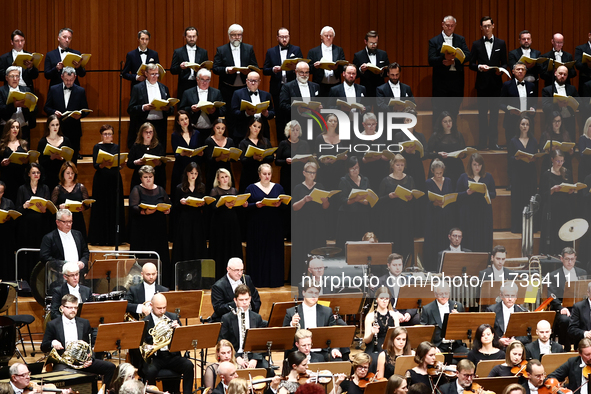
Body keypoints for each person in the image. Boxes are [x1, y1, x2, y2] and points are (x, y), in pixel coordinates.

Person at [41, 294, 115, 388]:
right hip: (63, 363)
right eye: (70, 307)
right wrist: (52, 343)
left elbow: (90, 344)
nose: (73, 310)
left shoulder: (84, 323)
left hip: (82, 362)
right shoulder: (53, 325)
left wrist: (90, 359)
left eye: (75, 308)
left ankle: (104, 391)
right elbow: (43, 346)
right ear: (62, 308)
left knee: (110, 367)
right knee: (64, 376)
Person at [139, 293, 194, 394]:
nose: (162, 311)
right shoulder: (145, 322)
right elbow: (140, 343)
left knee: (188, 365)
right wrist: (152, 344)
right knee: (149, 371)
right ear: (151, 306)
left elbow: (183, 340)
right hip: (155, 357)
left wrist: (178, 331)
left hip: (171, 355)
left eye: (164, 307)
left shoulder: (173, 317)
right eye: (159, 308)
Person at [128, 165, 172, 287]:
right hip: (142, 230)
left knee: (160, 255)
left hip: (158, 230)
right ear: (141, 178)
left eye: (150, 177)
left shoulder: (160, 190)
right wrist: (145, 212)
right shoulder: (137, 189)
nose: (148, 179)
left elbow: (168, 204)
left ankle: (161, 283)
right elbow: (133, 207)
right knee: (143, 255)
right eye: (145, 177)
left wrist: (167, 210)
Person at [469, 16, 508, 150]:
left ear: (493, 26)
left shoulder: (501, 43)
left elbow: (506, 63)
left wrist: (501, 71)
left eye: (488, 26)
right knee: (482, 115)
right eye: (484, 26)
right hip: (482, 85)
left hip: (496, 85)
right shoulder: (476, 44)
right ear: (481, 28)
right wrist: (479, 67)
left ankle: (493, 143)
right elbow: (471, 64)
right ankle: (482, 143)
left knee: (495, 115)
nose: (486, 28)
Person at [245, 164, 285, 288]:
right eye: (264, 174)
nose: (267, 176)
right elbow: (244, 206)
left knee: (273, 252)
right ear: (259, 174)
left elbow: (285, 205)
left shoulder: (278, 187)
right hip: (257, 225)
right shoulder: (251, 188)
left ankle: (274, 280)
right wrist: (255, 205)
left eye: (269, 174)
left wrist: (280, 204)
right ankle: (258, 281)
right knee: (258, 252)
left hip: (274, 226)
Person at [284, 283, 347, 361]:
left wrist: (335, 349)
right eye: (310, 292)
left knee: (337, 360)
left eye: (316, 293)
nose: (313, 296)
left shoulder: (327, 311)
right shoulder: (291, 312)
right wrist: (292, 325)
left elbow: (333, 333)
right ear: (303, 293)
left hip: (321, 351)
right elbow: (284, 337)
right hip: (299, 353)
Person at [262, 28, 303, 141]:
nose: (284, 39)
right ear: (277, 38)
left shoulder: (296, 49)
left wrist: (295, 67)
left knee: (293, 114)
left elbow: (302, 65)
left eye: (286, 37)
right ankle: (282, 144)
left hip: (292, 88)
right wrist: (273, 70)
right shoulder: (271, 51)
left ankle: (295, 143)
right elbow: (265, 69)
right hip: (277, 88)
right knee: (279, 117)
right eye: (282, 37)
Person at [88, 124, 126, 246]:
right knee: (101, 207)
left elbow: (117, 163)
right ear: (101, 135)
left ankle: (114, 238)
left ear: (113, 136)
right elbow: (95, 165)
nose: (107, 136)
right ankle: (100, 237)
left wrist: (121, 165)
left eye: (109, 134)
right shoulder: (97, 146)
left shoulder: (116, 146)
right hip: (101, 180)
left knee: (114, 206)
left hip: (114, 179)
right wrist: (102, 164)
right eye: (105, 134)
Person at [428, 16, 470, 124]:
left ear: (455, 26)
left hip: (456, 82)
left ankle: (453, 140)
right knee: (438, 112)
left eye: (452, 26)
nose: (450, 28)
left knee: (454, 112)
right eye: (447, 25)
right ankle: (438, 140)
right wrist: (443, 58)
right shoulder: (434, 41)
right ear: (442, 25)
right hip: (440, 83)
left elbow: (468, 56)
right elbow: (431, 60)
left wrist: (454, 61)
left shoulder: (460, 39)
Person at [212, 24, 258, 123]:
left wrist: (248, 71)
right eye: (234, 35)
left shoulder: (249, 48)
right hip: (227, 88)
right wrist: (226, 70)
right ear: (229, 36)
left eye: (239, 35)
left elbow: (255, 67)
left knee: (245, 114)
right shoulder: (221, 50)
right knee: (229, 114)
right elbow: (215, 68)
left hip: (244, 88)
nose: (237, 37)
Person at [292, 161, 329, 279]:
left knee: (317, 248)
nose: (312, 175)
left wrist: (325, 201)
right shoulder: (298, 187)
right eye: (310, 172)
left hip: (317, 223)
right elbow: (294, 207)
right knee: (303, 248)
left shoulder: (320, 186)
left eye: (314, 173)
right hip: (303, 223)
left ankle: (318, 276)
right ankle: (300, 276)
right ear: (304, 173)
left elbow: (326, 207)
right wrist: (304, 200)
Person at [43, 67, 89, 162]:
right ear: (62, 77)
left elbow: (86, 110)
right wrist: (54, 112)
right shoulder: (53, 89)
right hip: (57, 130)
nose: (68, 82)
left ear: (75, 77)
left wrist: (81, 115)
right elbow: (46, 107)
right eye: (66, 80)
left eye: (71, 80)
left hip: (74, 130)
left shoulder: (80, 91)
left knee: (73, 160)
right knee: (57, 160)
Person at [394, 110, 427, 238]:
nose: (409, 123)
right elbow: (394, 152)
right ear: (403, 122)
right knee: (404, 197)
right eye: (407, 120)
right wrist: (405, 152)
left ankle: (418, 231)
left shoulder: (420, 136)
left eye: (411, 120)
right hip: (404, 169)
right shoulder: (398, 136)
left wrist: (415, 153)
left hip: (417, 170)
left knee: (417, 198)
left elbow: (426, 153)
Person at [127, 63, 173, 151]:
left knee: (159, 151)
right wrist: (143, 107)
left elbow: (171, 109)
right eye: (152, 74)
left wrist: (168, 109)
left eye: (157, 74)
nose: (155, 76)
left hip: (160, 125)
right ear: (146, 74)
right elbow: (130, 109)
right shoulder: (137, 88)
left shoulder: (164, 88)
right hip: (144, 124)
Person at [376, 154, 415, 260]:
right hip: (390, 216)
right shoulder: (386, 180)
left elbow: (413, 196)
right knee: (392, 239)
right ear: (392, 165)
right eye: (397, 164)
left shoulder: (409, 179)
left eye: (402, 165)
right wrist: (389, 196)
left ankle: (405, 263)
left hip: (404, 215)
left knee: (404, 239)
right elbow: (379, 200)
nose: (400, 167)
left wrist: (411, 197)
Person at [219, 285, 268, 369]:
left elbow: (261, 341)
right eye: (241, 300)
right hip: (235, 355)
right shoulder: (227, 318)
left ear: (250, 299)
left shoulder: (257, 317)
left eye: (247, 299)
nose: (244, 302)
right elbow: (223, 341)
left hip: (253, 354)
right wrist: (236, 357)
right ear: (235, 300)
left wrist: (255, 359)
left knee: (268, 370)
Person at [15, 163, 52, 274]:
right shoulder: (22, 189)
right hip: (26, 226)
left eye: (38, 172)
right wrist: (24, 206)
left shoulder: (45, 188)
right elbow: (17, 210)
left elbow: (49, 209)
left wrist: (44, 210)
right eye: (33, 172)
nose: (36, 174)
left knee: (39, 250)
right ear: (29, 174)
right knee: (27, 251)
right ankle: (26, 276)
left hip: (41, 225)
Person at [456, 153, 496, 252]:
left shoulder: (488, 177)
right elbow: (456, 195)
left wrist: (485, 192)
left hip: (483, 211)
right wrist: (467, 193)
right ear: (470, 165)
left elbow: (494, 194)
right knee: (469, 234)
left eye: (479, 165)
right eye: (474, 164)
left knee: (483, 234)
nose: (477, 167)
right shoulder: (463, 177)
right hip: (468, 211)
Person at [548, 247, 587, 351]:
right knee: (565, 320)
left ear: (575, 258)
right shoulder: (553, 275)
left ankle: (583, 346)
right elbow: (552, 295)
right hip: (564, 308)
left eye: (572, 259)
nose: (570, 262)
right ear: (561, 259)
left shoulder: (582, 272)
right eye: (567, 259)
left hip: (580, 307)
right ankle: (566, 348)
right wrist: (561, 307)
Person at [209, 170, 244, 280]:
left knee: (233, 247)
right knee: (220, 248)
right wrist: (224, 204)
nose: (225, 179)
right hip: (219, 224)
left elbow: (239, 208)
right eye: (222, 177)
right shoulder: (215, 191)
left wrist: (243, 203)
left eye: (226, 177)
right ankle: (219, 275)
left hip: (232, 223)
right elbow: (213, 207)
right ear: (218, 179)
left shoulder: (234, 190)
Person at [500, 63, 537, 169]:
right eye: (518, 69)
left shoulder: (531, 86)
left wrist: (533, 109)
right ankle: (512, 182)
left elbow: (534, 103)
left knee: (529, 151)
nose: (520, 71)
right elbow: (501, 103)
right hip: (512, 123)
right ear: (513, 71)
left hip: (528, 122)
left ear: (525, 72)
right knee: (512, 154)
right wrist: (510, 110)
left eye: (522, 69)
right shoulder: (507, 85)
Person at [539, 150, 576, 255]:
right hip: (551, 208)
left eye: (562, 161)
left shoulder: (567, 172)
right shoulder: (547, 174)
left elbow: (570, 188)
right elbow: (542, 194)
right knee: (553, 231)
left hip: (564, 208)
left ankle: (565, 254)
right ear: (552, 160)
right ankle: (551, 253)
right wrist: (552, 189)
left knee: (564, 231)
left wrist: (571, 191)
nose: (560, 163)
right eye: (557, 161)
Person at [423, 160, 457, 272]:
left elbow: (451, 196)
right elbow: (425, 201)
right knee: (434, 241)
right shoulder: (428, 182)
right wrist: (433, 203)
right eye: (436, 173)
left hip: (447, 215)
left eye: (440, 173)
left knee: (445, 239)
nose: (438, 175)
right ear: (432, 171)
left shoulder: (448, 181)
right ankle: (433, 268)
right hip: (434, 217)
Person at [179, 68, 225, 148]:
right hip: (193, 129)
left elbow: (223, 110)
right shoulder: (188, 93)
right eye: (202, 79)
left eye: (207, 80)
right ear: (197, 79)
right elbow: (181, 110)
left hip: (211, 130)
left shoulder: (216, 92)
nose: (205, 82)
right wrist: (191, 110)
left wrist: (214, 111)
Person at [507, 116, 538, 233]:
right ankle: (517, 227)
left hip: (530, 174)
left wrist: (534, 158)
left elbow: (536, 155)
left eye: (527, 124)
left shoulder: (533, 140)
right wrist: (516, 158)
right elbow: (509, 158)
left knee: (530, 199)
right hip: (518, 174)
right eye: (523, 124)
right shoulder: (513, 141)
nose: (525, 126)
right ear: (519, 126)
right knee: (517, 200)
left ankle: (531, 227)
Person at [171, 162, 207, 264]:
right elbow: (175, 207)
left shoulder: (201, 187)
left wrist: (203, 204)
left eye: (196, 173)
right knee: (185, 244)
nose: (193, 176)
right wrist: (181, 203)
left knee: (197, 245)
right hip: (185, 219)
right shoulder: (180, 187)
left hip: (197, 219)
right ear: (187, 173)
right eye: (191, 173)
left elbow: (205, 206)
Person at [335, 156, 371, 250]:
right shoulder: (344, 180)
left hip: (362, 215)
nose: (355, 170)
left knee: (361, 242)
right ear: (348, 169)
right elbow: (343, 200)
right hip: (348, 216)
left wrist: (367, 201)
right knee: (349, 243)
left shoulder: (365, 179)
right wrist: (356, 199)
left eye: (357, 168)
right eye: (352, 168)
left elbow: (368, 197)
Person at [375, 253, 420, 325]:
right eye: (394, 265)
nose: (397, 268)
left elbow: (414, 301)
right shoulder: (381, 281)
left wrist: (409, 313)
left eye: (400, 265)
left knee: (419, 319)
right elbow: (380, 302)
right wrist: (395, 312)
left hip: (405, 313)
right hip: (389, 312)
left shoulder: (409, 281)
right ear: (388, 265)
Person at [230, 71, 275, 141]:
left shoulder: (266, 95)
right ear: (246, 81)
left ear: (259, 81)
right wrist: (246, 113)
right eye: (251, 81)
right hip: (244, 129)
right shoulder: (238, 93)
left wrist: (267, 114)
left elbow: (272, 112)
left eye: (255, 81)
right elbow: (233, 112)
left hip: (262, 130)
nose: (253, 83)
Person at [427, 111, 466, 188]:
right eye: (445, 121)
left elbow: (464, 152)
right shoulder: (435, 136)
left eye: (450, 121)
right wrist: (438, 154)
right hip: (442, 167)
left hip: (456, 166)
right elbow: (427, 153)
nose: (448, 124)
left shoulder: (458, 135)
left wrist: (463, 155)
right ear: (441, 123)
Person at [419, 284, 464, 351]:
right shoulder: (427, 309)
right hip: (437, 346)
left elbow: (464, 327)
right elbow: (424, 332)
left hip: (456, 345)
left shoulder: (458, 306)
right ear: (435, 294)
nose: (444, 296)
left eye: (446, 293)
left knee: (468, 356)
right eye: (441, 294)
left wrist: (458, 317)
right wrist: (432, 347)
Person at [51, 161, 89, 239]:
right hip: (63, 221)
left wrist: (83, 207)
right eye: (68, 173)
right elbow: (52, 207)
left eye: (72, 173)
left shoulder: (80, 187)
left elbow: (87, 204)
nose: (70, 175)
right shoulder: (57, 189)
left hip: (77, 219)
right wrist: (60, 207)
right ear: (63, 174)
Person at [363, 287, 400, 367]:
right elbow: (366, 340)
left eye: (386, 298)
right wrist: (372, 333)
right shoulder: (370, 316)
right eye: (382, 298)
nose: (384, 301)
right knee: (375, 360)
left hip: (390, 345)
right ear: (376, 299)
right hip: (374, 347)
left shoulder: (394, 315)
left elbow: (398, 335)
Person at [170, 110, 203, 198]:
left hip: (194, 166)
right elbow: (175, 154)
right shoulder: (175, 135)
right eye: (182, 120)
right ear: (178, 122)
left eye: (186, 118)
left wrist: (200, 153)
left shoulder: (196, 133)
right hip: (181, 167)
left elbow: (199, 148)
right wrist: (182, 154)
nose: (185, 121)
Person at [0, 66, 37, 143]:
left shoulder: (26, 90)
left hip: (23, 128)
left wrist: (27, 106)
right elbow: (1, 109)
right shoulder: (1, 91)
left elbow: (35, 108)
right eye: (12, 76)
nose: (15, 79)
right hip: (6, 129)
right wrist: (14, 106)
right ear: (6, 78)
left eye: (17, 76)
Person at [541, 65, 579, 142]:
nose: (562, 76)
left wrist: (570, 104)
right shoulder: (547, 90)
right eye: (560, 73)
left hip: (569, 121)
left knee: (570, 146)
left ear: (567, 76)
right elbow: (545, 107)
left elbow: (579, 103)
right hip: (554, 123)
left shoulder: (572, 89)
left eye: (565, 74)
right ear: (555, 73)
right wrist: (558, 105)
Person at [170, 26, 208, 100]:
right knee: (183, 107)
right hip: (184, 84)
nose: (192, 39)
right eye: (189, 36)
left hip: (199, 84)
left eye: (194, 36)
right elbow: (172, 70)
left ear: (197, 37)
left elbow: (207, 69)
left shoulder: (203, 52)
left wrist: (201, 70)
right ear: (185, 37)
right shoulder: (178, 52)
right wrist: (180, 67)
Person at [487, 282, 530, 347]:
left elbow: (528, 336)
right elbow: (487, 332)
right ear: (501, 296)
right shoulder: (491, 310)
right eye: (507, 295)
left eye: (513, 296)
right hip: (498, 347)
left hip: (517, 347)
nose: (510, 299)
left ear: (516, 296)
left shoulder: (523, 311)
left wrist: (516, 340)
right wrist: (498, 340)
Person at [279, 61, 321, 127]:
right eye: (302, 72)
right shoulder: (287, 87)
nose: (304, 75)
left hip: (313, 122)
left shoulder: (315, 86)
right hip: (295, 122)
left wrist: (320, 107)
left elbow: (321, 101)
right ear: (296, 72)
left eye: (306, 72)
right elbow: (283, 105)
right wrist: (297, 110)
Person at [307, 26, 346, 97]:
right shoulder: (313, 51)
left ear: (333, 37)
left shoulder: (339, 50)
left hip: (336, 85)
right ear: (321, 37)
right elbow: (308, 69)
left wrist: (336, 68)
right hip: (320, 85)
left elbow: (343, 67)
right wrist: (315, 67)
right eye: (326, 35)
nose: (328, 38)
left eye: (330, 36)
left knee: (335, 106)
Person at [127, 122, 166, 190]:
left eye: (150, 132)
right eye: (146, 132)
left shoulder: (158, 146)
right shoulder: (136, 146)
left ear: (153, 133)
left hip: (155, 177)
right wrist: (136, 162)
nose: (148, 134)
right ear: (141, 133)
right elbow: (129, 163)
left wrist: (159, 163)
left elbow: (163, 164)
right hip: (139, 178)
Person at [238, 118, 274, 193]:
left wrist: (263, 157)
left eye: (259, 127)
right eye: (254, 126)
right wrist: (253, 158)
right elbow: (242, 160)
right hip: (249, 174)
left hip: (263, 174)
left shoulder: (265, 141)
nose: (256, 129)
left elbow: (271, 157)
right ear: (250, 126)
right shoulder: (243, 142)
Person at [314, 113, 347, 191]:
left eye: (335, 121)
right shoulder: (320, 138)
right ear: (326, 123)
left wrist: (344, 157)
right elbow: (317, 155)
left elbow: (346, 152)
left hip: (339, 171)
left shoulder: (342, 136)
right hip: (325, 171)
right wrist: (323, 160)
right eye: (331, 121)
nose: (333, 123)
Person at [37, 115, 71, 192]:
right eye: (52, 125)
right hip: (48, 176)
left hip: (62, 175)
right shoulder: (42, 142)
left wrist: (62, 159)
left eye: (57, 125)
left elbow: (70, 159)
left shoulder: (66, 140)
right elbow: (41, 162)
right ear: (48, 126)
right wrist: (51, 158)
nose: (55, 127)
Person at [276, 120, 310, 196]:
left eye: (297, 130)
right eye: (293, 130)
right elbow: (277, 161)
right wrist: (285, 161)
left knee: (300, 195)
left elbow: (309, 159)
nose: (295, 132)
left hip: (300, 173)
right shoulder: (283, 143)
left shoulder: (304, 143)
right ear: (288, 131)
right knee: (287, 195)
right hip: (287, 174)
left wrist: (305, 161)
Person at [353, 30, 390, 98]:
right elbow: (355, 73)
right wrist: (361, 70)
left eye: (375, 43)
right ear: (365, 42)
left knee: (380, 108)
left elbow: (388, 71)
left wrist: (382, 72)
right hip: (366, 89)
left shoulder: (383, 54)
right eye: (371, 43)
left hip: (380, 89)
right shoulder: (358, 55)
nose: (373, 46)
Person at [0, 119, 29, 203]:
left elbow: (28, 163)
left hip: (21, 178)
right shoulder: (2, 145)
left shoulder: (23, 143)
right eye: (12, 127)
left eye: (17, 127)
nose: (15, 129)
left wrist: (26, 162)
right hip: (7, 178)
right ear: (8, 129)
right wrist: (2, 163)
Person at [360, 113, 391, 191]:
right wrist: (369, 159)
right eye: (368, 124)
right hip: (366, 173)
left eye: (373, 124)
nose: (371, 126)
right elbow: (357, 158)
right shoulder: (359, 138)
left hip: (381, 173)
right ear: (363, 124)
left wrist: (380, 156)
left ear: (376, 124)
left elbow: (388, 155)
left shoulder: (381, 136)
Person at [204, 119, 235, 195]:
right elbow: (207, 159)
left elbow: (234, 158)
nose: (220, 130)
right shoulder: (209, 141)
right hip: (213, 171)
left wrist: (230, 157)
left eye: (222, 128)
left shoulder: (230, 141)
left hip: (226, 170)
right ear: (214, 128)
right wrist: (219, 158)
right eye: (218, 128)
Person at [0, 181, 17, 279]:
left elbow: (15, 220)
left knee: (6, 259)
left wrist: (9, 218)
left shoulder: (8, 202)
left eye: (1, 192)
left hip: (6, 235)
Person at [568, 282, 591, 347]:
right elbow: (571, 329)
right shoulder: (578, 307)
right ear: (588, 292)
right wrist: (585, 333)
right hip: (584, 343)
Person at [578, 117, 591, 184]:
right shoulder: (583, 138)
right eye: (590, 126)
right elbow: (581, 154)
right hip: (585, 167)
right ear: (586, 127)